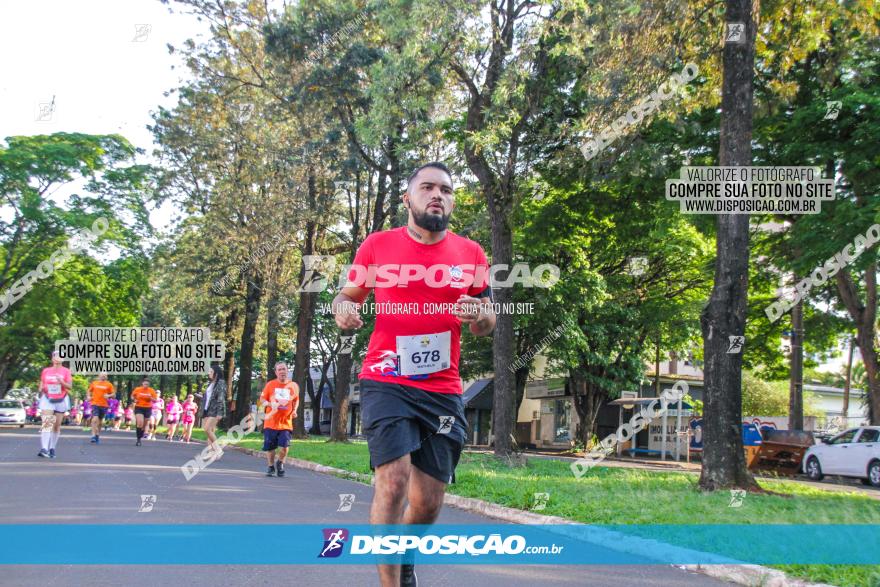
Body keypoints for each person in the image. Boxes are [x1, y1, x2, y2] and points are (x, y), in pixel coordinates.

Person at [332, 162, 496, 587]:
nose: (437, 194)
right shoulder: (377, 245)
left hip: (442, 386)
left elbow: (486, 320)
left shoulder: (471, 254)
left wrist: (480, 314)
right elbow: (347, 295)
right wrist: (344, 309)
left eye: (445, 188)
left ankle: (404, 551)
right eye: (427, 187)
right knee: (393, 479)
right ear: (408, 198)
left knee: (427, 503)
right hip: (386, 377)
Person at [258, 362, 299, 477]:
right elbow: (262, 399)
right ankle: (271, 466)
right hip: (271, 422)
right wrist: (270, 404)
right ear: (276, 372)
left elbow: (296, 400)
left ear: (287, 371)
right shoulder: (270, 384)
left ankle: (280, 463)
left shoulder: (293, 385)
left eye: (284, 369)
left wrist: (295, 410)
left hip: (286, 423)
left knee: (285, 447)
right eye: (279, 369)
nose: (282, 371)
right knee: (270, 448)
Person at [37, 351, 74, 458]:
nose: (58, 358)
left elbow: (69, 386)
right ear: (52, 358)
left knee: (56, 425)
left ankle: (52, 447)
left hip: (61, 398)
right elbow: (42, 384)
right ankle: (44, 448)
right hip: (48, 398)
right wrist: (42, 388)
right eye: (56, 355)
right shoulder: (46, 371)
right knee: (47, 422)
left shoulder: (66, 371)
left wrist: (61, 381)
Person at [201, 365, 228, 449]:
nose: (209, 373)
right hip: (207, 409)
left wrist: (220, 412)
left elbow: (221, 398)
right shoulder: (211, 383)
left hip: (215, 410)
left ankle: (218, 449)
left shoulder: (221, 383)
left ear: (216, 373)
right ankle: (210, 451)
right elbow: (210, 397)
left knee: (207, 429)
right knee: (210, 431)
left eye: (211, 372)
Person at [87, 372, 115, 443]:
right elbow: (89, 390)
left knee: (99, 422)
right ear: (99, 376)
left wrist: (108, 396)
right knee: (94, 419)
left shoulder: (109, 384)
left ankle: (97, 435)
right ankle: (93, 436)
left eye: (105, 375)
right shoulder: (94, 383)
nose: (104, 376)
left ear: (107, 377)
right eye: (102, 375)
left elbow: (113, 394)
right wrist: (88, 396)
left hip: (104, 405)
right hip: (95, 403)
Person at [131, 377, 158, 446]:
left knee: (144, 425)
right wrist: (134, 400)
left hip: (148, 408)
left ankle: (141, 433)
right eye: (145, 384)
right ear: (142, 383)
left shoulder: (151, 390)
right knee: (140, 422)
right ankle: (138, 439)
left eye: (147, 384)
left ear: (149, 385)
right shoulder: (138, 389)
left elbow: (155, 400)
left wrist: (150, 398)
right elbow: (132, 396)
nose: (146, 385)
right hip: (139, 407)